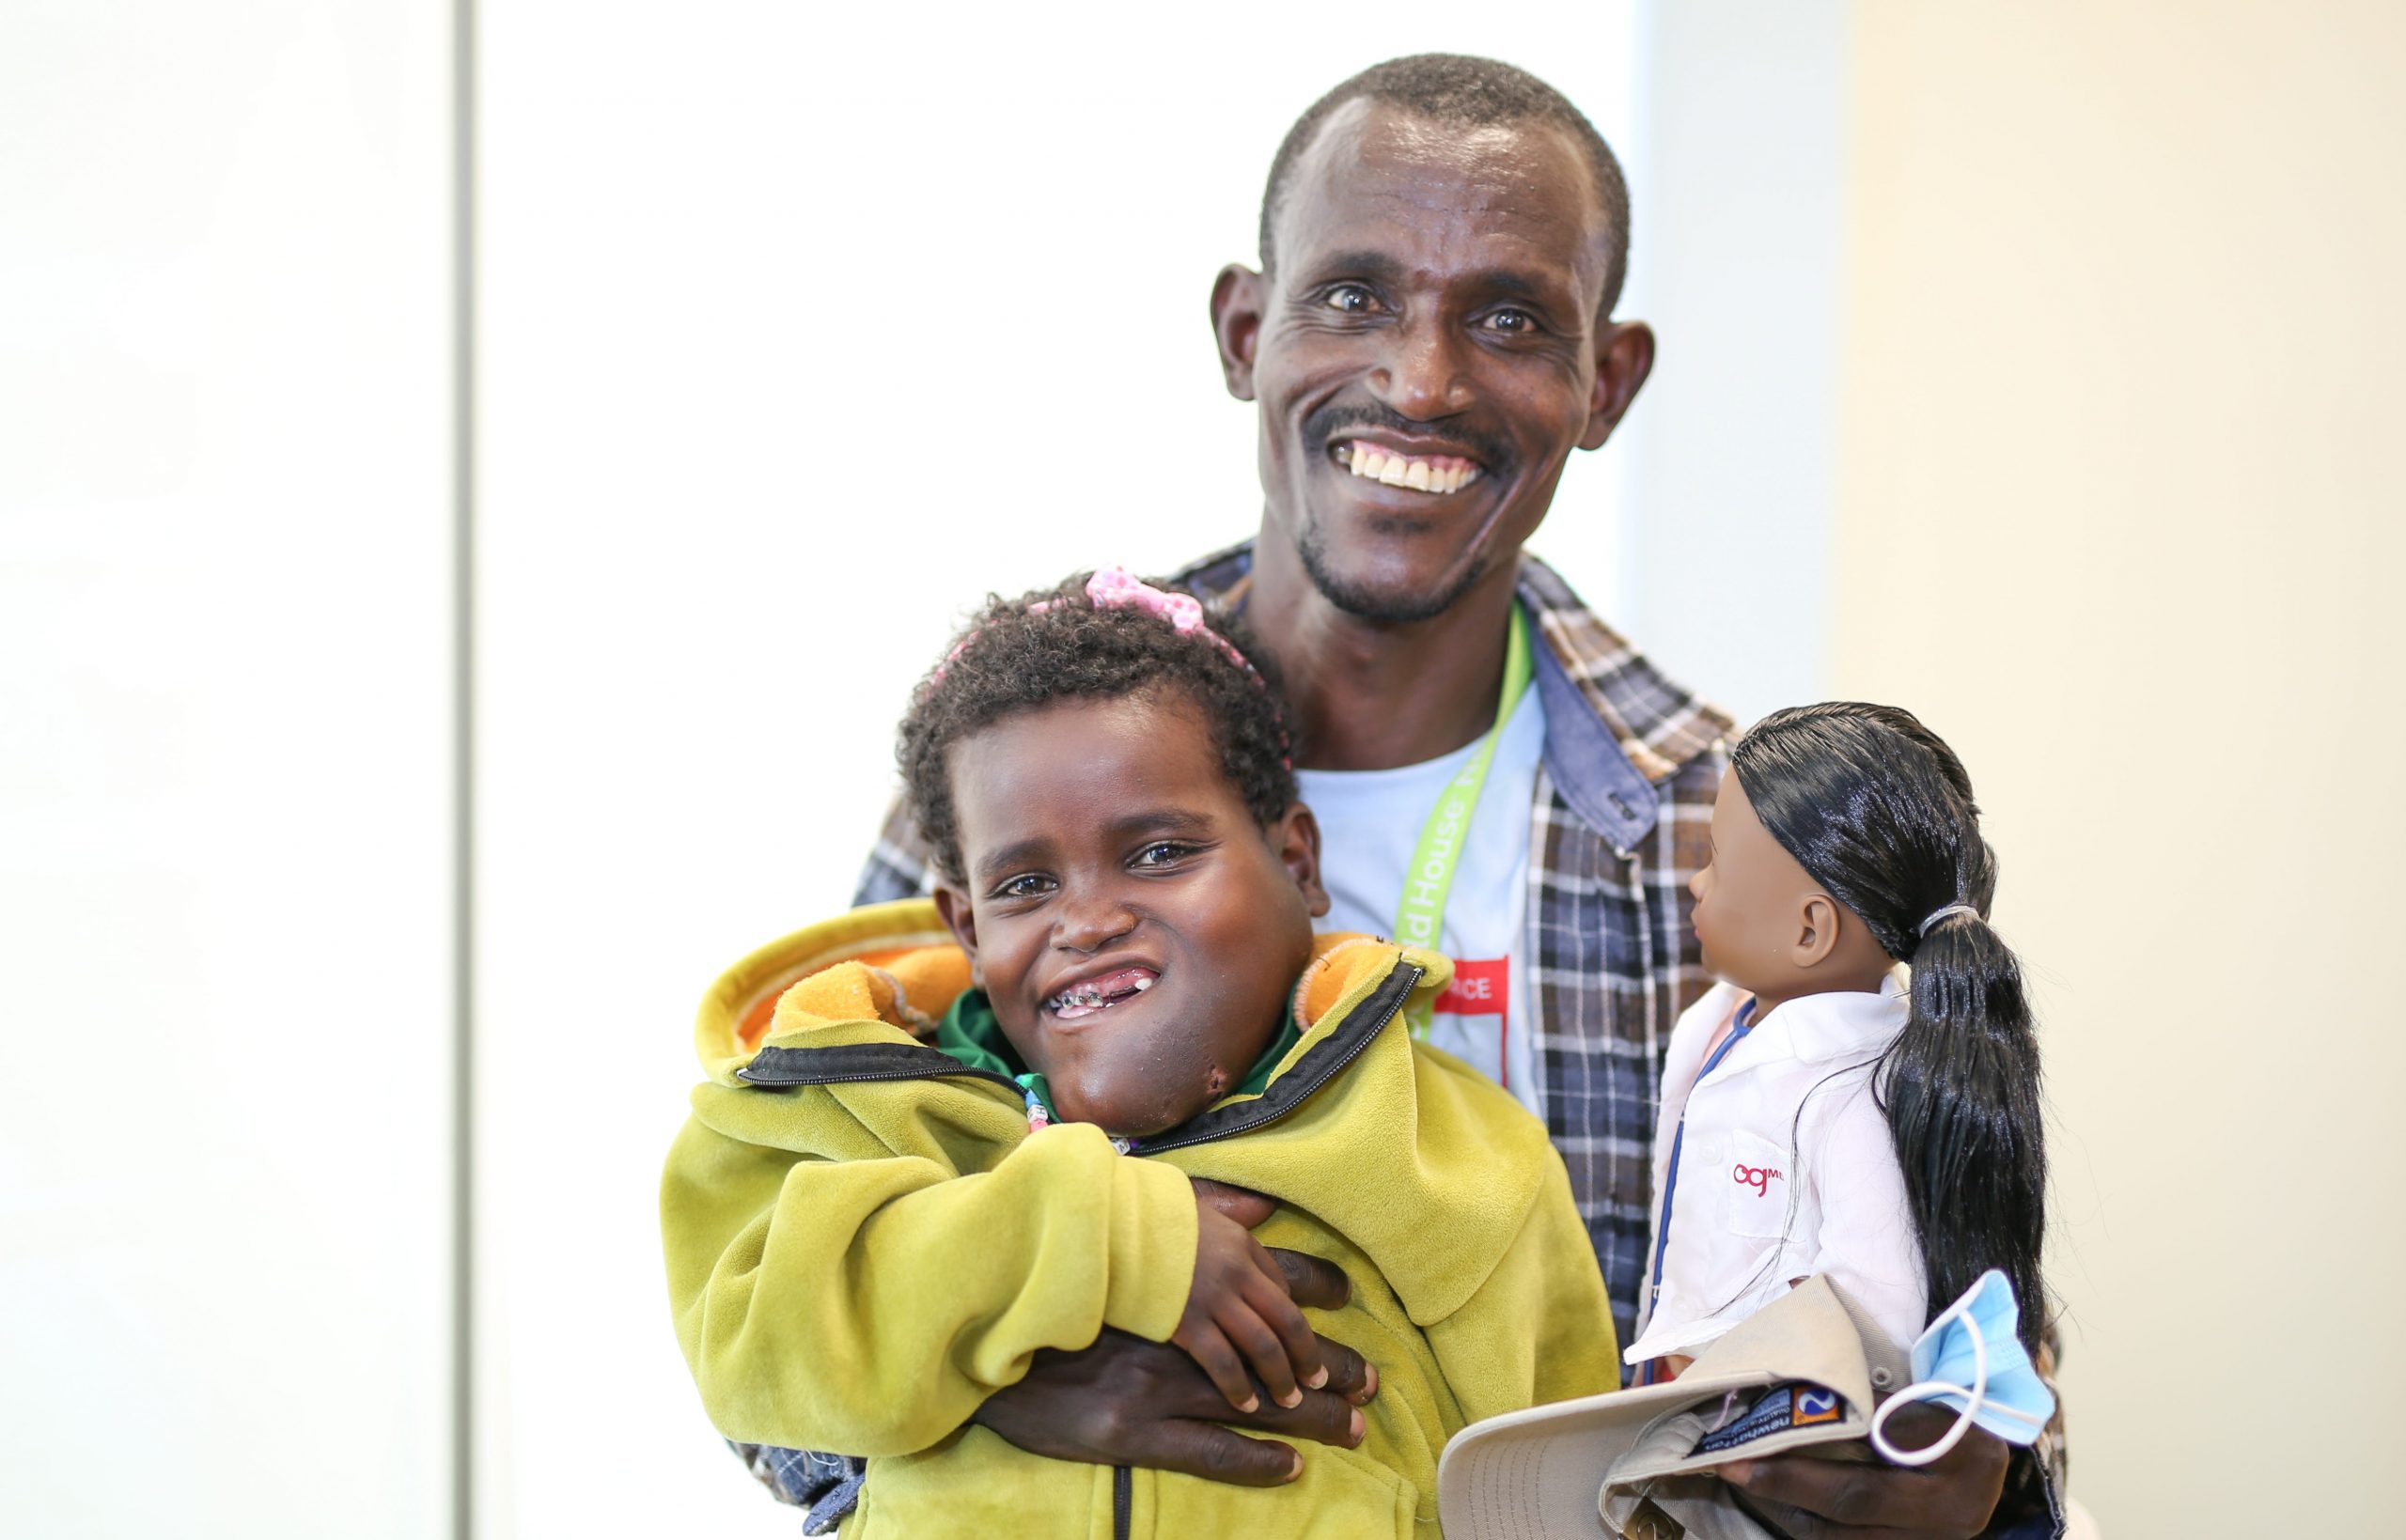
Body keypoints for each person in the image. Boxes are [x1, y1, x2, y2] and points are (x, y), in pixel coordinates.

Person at [789, 53, 2058, 1539]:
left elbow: (1966, 1360)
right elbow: (783, 1295)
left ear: (1608, 381)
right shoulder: (1009, 783)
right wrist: (972, 1406)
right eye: (1353, 298)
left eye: (1510, 318)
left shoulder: (1741, 839)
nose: (1423, 378)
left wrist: (1964, 1500)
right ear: (1245, 332)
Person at [663, 569, 1620, 1536]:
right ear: (965, 928)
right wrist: (1105, 1236)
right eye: (1027, 882)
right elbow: (755, 1347)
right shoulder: (850, 1110)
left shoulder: (1453, 1152)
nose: (1089, 919)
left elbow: (1557, 1487)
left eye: (1160, 852)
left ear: (1296, 862)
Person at [1626, 703, 2048, 1389]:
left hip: (1765, 1437)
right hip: (1670, 1400)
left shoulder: (1858, 1098)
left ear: (1810, 930)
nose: (1695, 884)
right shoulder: (1713, 1028)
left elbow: (1876, 1319)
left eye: (1717, 865)